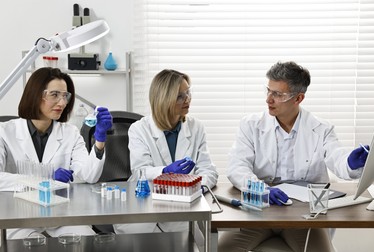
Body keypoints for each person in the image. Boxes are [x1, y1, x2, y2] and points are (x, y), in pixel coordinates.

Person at [218, 61, 369, 252]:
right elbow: (237, 167)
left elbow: (337, 158)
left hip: (303, 216)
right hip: (259, 212)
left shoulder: (321, 129)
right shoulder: (251, 125)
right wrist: (261, 188)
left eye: (277, 94)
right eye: (268, 91)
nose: (268, 99)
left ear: (299, 98)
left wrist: (351, 162)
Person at [0, 67, 113, 239]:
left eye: (65, 96)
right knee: (30, 247)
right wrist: (46, 179)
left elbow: (89, 175)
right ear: (36, 95)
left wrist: (100, 139)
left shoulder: (71, 133)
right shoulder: (5, 132)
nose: (62, 103)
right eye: (54, 95)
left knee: (85, 241)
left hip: (61, 214)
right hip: (19, 216)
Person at [114, 69, 218, 234]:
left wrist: (198, 188)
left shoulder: (196, 127)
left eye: (188, 93)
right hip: (145, 206)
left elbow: (208, 170)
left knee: (195, 246)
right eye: (180, 96)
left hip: (182, 207)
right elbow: (140, 170)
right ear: (163, 99)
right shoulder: (139, 129)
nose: (188, 99)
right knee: (140, 246)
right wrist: (165, 172)